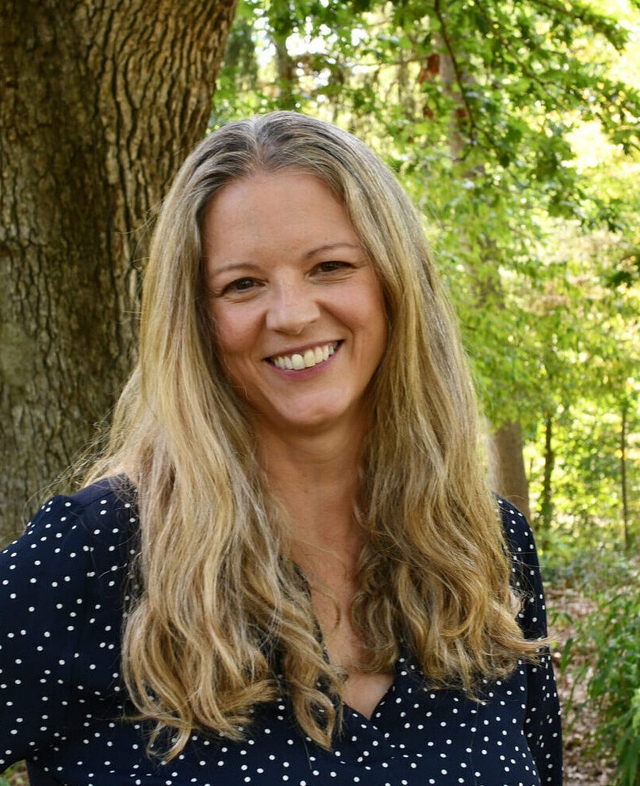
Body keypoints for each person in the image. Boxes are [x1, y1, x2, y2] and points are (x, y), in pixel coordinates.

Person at [0, 112, 562, 786]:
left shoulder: (486, 546)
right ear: (197, 320)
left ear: (395, 286)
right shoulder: (94, 556)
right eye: (242, 284)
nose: (292, 314)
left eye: (330, 266)